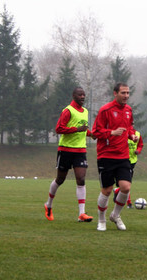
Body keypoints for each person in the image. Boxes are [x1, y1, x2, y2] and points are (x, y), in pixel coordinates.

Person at [44, 87, 95, 223]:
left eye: (84, 95)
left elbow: (83, 129)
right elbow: (59, 129)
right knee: (60, 179)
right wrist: (76, 129)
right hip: (66, 150)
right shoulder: (68, 111)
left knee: (81, 178)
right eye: (80, 94)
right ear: (74, 96)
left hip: (80, 151)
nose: (83, 97)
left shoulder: (85, 111)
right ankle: (48, 204)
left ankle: (82, 213)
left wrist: (91, 134)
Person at [92, 83, 138, 231]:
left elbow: (129, 127)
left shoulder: (129, 110)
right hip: (106, 155)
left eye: (128, 93)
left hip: (123, 155)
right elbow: (95, 132)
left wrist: (131, 135)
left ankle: (115, 215)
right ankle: (101, 219)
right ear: (115, 93)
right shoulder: (105, 110)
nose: (126, 96)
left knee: (125, 187)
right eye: (123, 93)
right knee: (107, 190)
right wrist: (111, 132)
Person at [114, 130, 143, 208]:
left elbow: (140, 145)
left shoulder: (138, 134)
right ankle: (129, 203)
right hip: (124, 160)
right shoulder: (123, 133)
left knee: (127, 182)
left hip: (133, 161)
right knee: (128, 182)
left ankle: (117, 190)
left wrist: (138, 151)